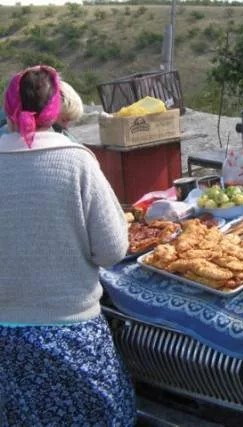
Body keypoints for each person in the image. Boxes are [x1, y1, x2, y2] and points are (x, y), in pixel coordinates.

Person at [0, 65, 135, 425]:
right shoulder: (76, 161)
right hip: (72, 337)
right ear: (55, 110)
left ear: (8, 109)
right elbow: (112, 250)